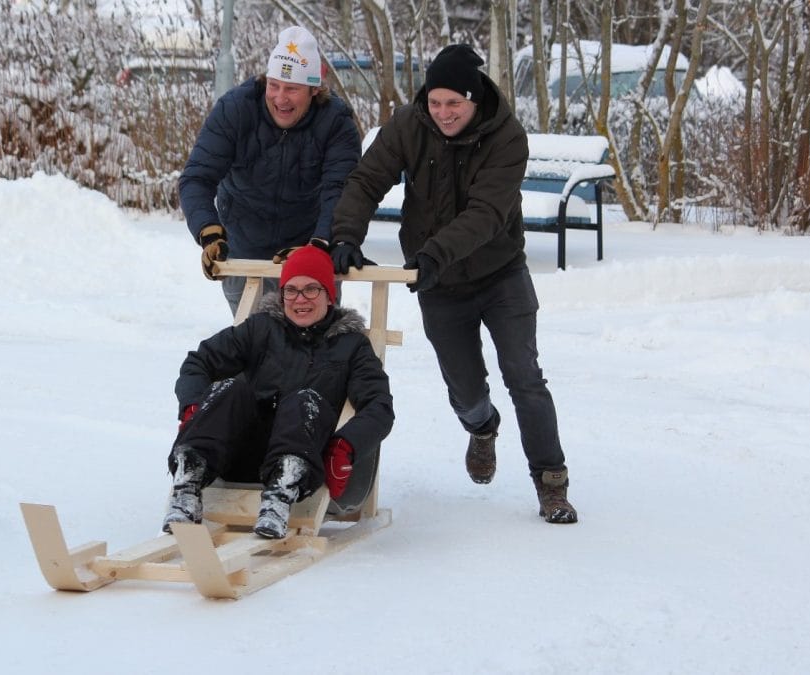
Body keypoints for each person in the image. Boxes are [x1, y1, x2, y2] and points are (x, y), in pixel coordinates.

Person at [328, 44, 578, 524]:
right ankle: (482, 428)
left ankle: (552, 483)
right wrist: (345, 236)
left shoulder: (507, 137)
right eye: (436, 102)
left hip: (500, 272)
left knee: (524, 377)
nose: (443, 113)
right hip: (439, 281)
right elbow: (366, 180)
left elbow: (487, 213)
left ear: (474, 101)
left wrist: (434, 254)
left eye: (454, 104)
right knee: (465, 389)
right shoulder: (410, 123)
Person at [163, 245, 393, 539]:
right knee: (232, 389)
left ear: (329, 295)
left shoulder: (351, 346)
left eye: (311, 289)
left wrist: (346, 446)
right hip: (241, 455)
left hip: (301, 461)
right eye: (291, 290)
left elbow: (379, 406)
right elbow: (199, 362)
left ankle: (278, 499)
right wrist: (194, 408)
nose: (300, 300)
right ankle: (188, 482)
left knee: (303, 399)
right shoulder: (262, 328)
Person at [178, 25, 362, 314]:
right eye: (274, 85)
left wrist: (319, 245)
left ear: (314, 89)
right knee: (255, 342)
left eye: (292, 89)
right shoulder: (236, 109)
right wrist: (209, 233)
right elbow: (197, 178)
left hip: (308, 244)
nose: (280, 98)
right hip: (244, 243)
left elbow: (340, 190)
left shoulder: (336, 123)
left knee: (314, 345)